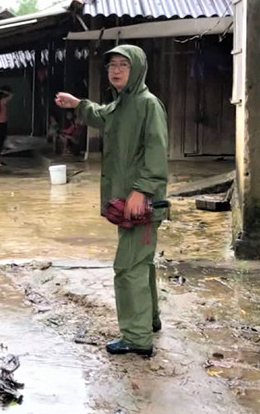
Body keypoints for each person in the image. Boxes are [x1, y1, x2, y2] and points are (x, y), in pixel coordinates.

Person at [55, 44, 168, 358]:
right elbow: (101, 115)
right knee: (140, 264)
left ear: (138, 69)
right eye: (112, 65)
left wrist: (142, 190)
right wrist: (78, 104)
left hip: (141, 202)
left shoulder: (147, 104)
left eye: (123, 65)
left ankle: (136, 338)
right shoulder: (123, 103)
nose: (116, 70)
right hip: (126, 201)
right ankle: (150, 320)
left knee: (127, 268)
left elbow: (157, 152)